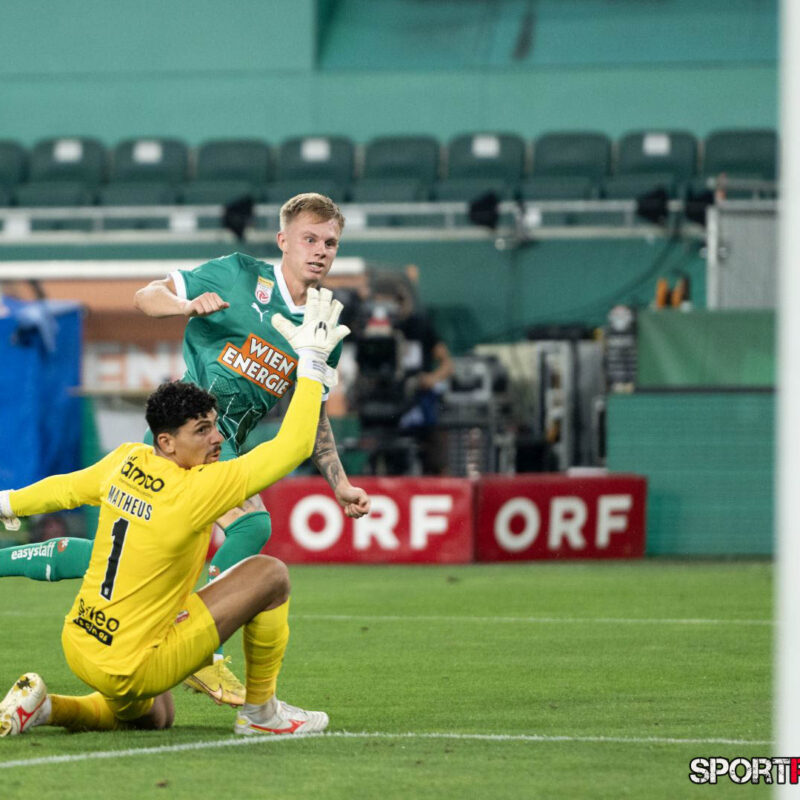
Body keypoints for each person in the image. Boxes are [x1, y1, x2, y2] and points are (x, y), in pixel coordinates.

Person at [0, 193, 371, 706]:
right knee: (251, 526)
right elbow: (145, 296)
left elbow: (314, 414)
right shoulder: (236, 275)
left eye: (331, 242)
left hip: (222, 446)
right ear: (283, 240)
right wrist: (184, 305)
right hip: (188, 439)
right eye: (310, 239)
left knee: (127, 555)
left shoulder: (323, 323)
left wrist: (340, 482)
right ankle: (199, 647)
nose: (321, 250)